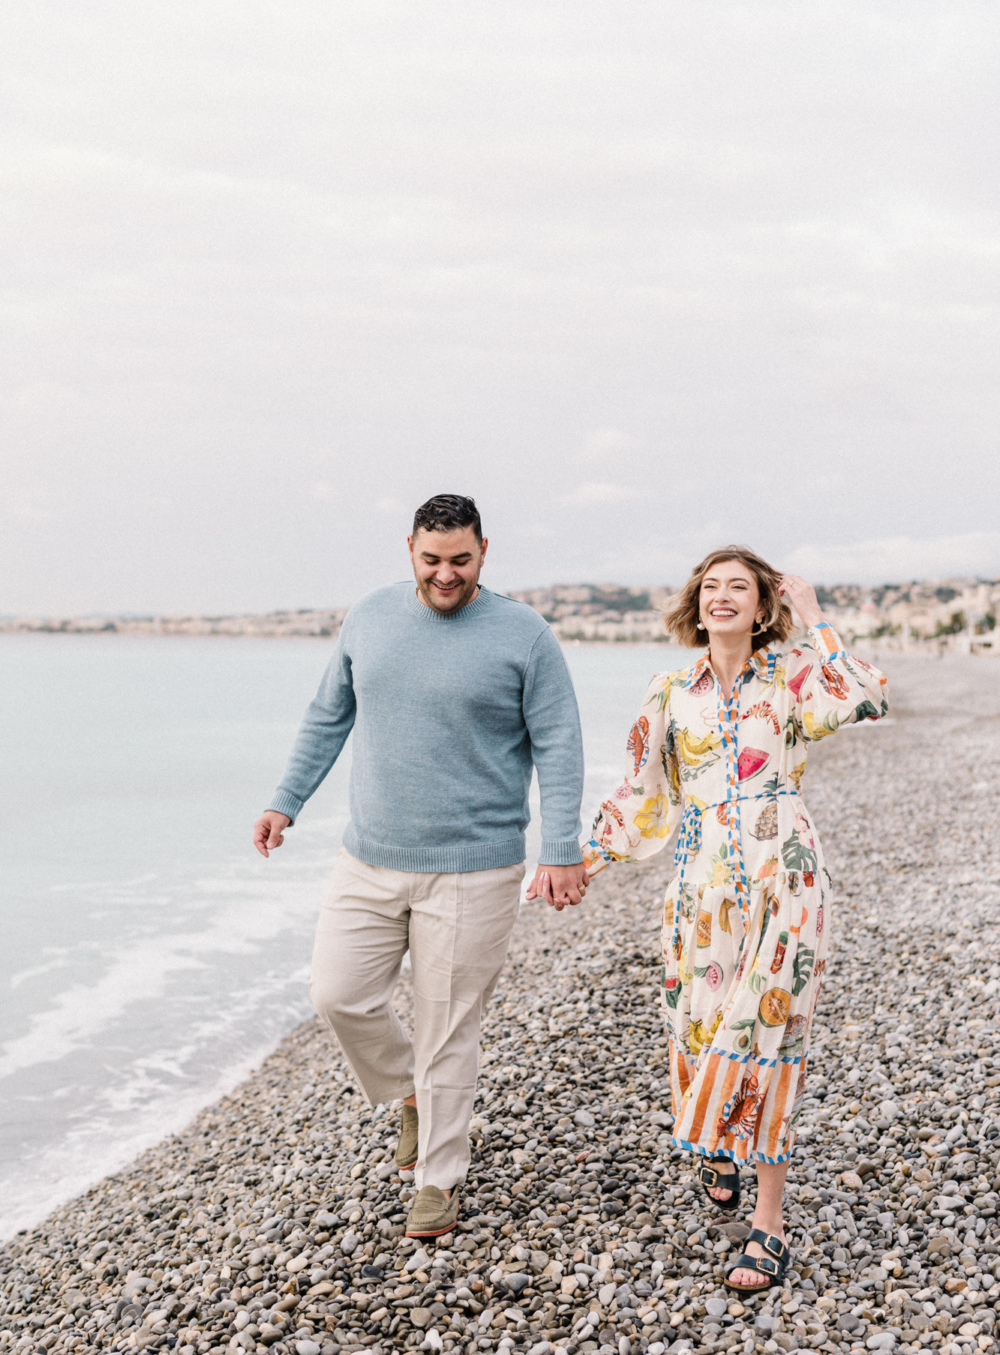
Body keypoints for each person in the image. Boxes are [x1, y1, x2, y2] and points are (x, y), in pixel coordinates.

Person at [252, 494, 588, 1238]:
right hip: (368, 858)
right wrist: (286, 801)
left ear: (484, 551)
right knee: (338, 995)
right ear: (409, 549)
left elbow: (560, 744)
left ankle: (439, 1179)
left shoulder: (524, 634)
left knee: (447, 1030)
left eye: (460, 560)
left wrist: (561, 847)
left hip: (476, 867)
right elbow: (327, 715)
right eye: (432, 560)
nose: (445, 575)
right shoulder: (368, 617)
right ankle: (409, 1093)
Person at [581, 546, 887, 1292]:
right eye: (711, 586)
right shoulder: (668, 692)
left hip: (788, 879)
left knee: (768, 1029)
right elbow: (642, 793)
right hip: (702, 886)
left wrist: (813, 617)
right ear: (696, 603)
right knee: (700, 1026)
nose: (723, 597)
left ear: (761, 606)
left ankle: (769, 1227)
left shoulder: (788, 677)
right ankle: (718, 1147)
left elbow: (867, 696)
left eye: (739, 587)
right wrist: (580, 859)